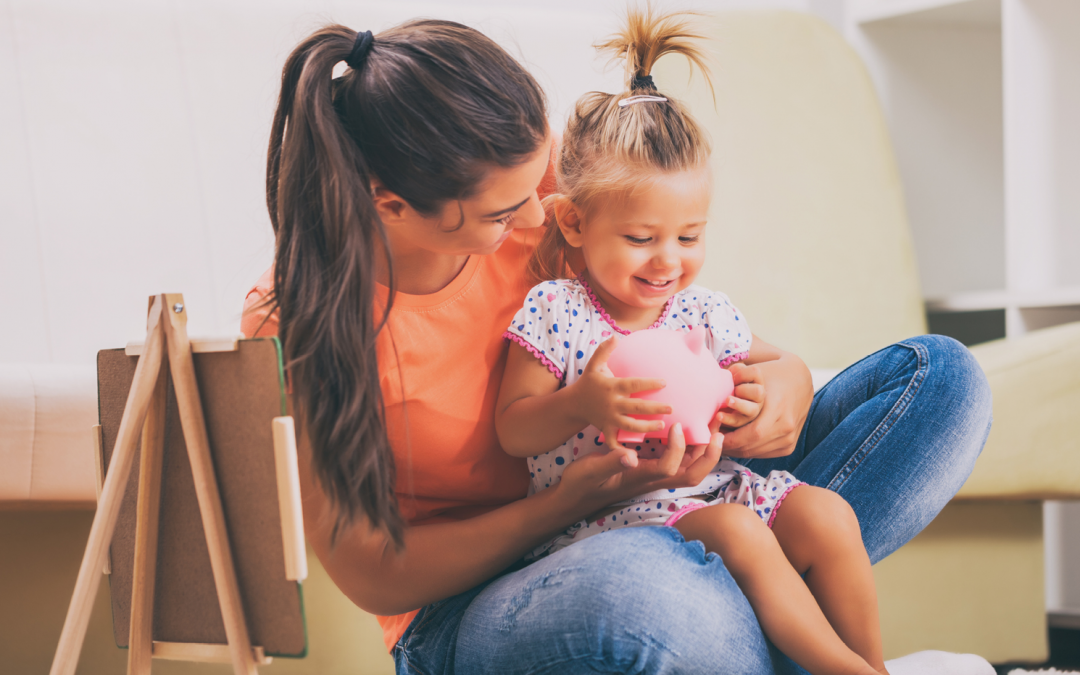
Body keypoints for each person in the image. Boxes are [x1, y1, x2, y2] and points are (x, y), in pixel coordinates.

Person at [241, 14, 994, 675]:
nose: (541, 221)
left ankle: (769, 627)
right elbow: (374, 572)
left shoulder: (533, 193)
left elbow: (705, 336)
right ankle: (789, 630)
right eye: (505, 213)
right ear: (392, 204)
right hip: (491, 593)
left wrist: (782, 393)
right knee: (644, 594)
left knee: (943, 381)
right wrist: (568, 504)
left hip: (680, 498)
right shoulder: (301, 319)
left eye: (542, 186)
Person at [494, 12, 888, 675]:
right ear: (575, 221)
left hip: (710, 490)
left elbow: (753, 379)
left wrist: (748, 404)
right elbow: (513, 430)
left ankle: (872, 661)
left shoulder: (703, 311)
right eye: (641, 238)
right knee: (739, 532)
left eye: (689, 235)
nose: (667, 261)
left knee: (826, 514)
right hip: (605, 524)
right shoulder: (556, 311)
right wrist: (582, 401)